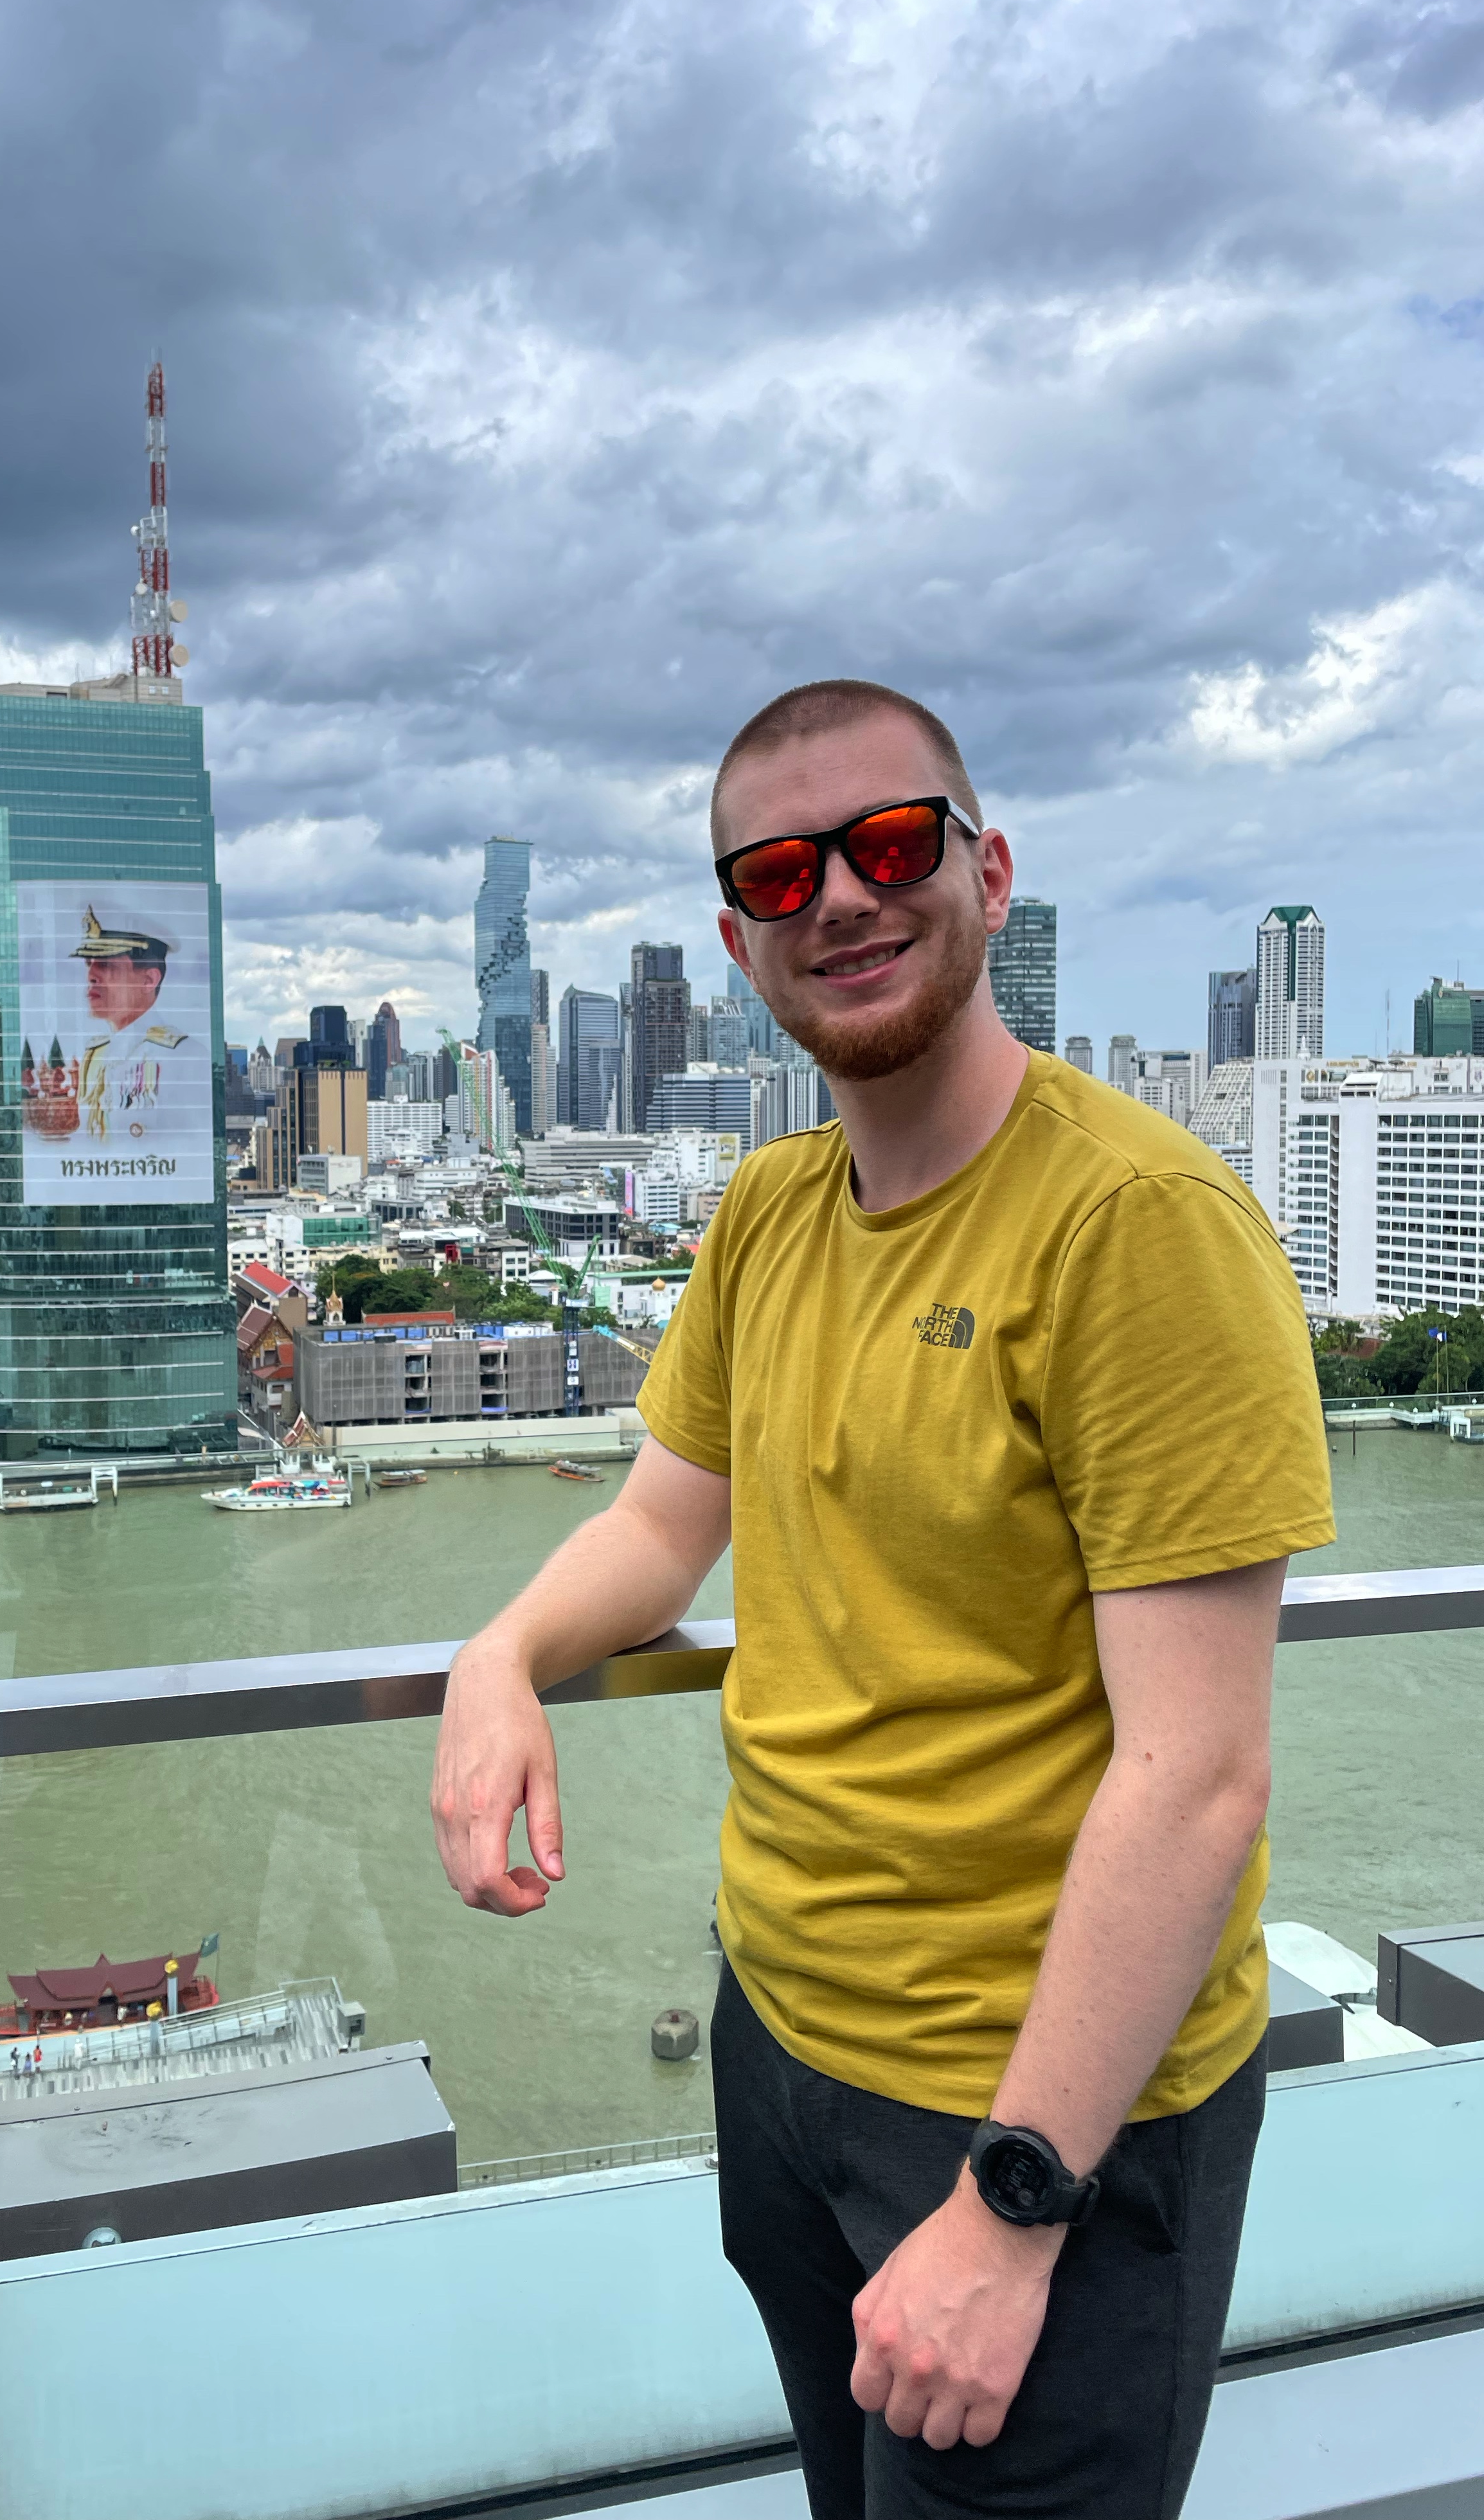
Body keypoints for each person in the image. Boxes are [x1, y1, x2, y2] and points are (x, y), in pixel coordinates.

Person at [431, 679, 1334, 2520]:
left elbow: (1197, 1778)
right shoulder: (771, 1214)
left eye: (891, 843)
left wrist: (1015, 2207)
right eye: (779, 872)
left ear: (987, 873)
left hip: (1040, 2111)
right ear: (737, 943)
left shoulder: (1138, 1226)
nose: (839, 895)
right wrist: (502, 1654)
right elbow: (664, 1525)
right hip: (781, 2041)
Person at [21, 906, 189, 1150]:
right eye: (89, 963)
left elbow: (189, 1147)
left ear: (149, 980)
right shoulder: (96, 1053)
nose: (91, 975)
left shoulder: (184, 1055)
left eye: (107, 965)